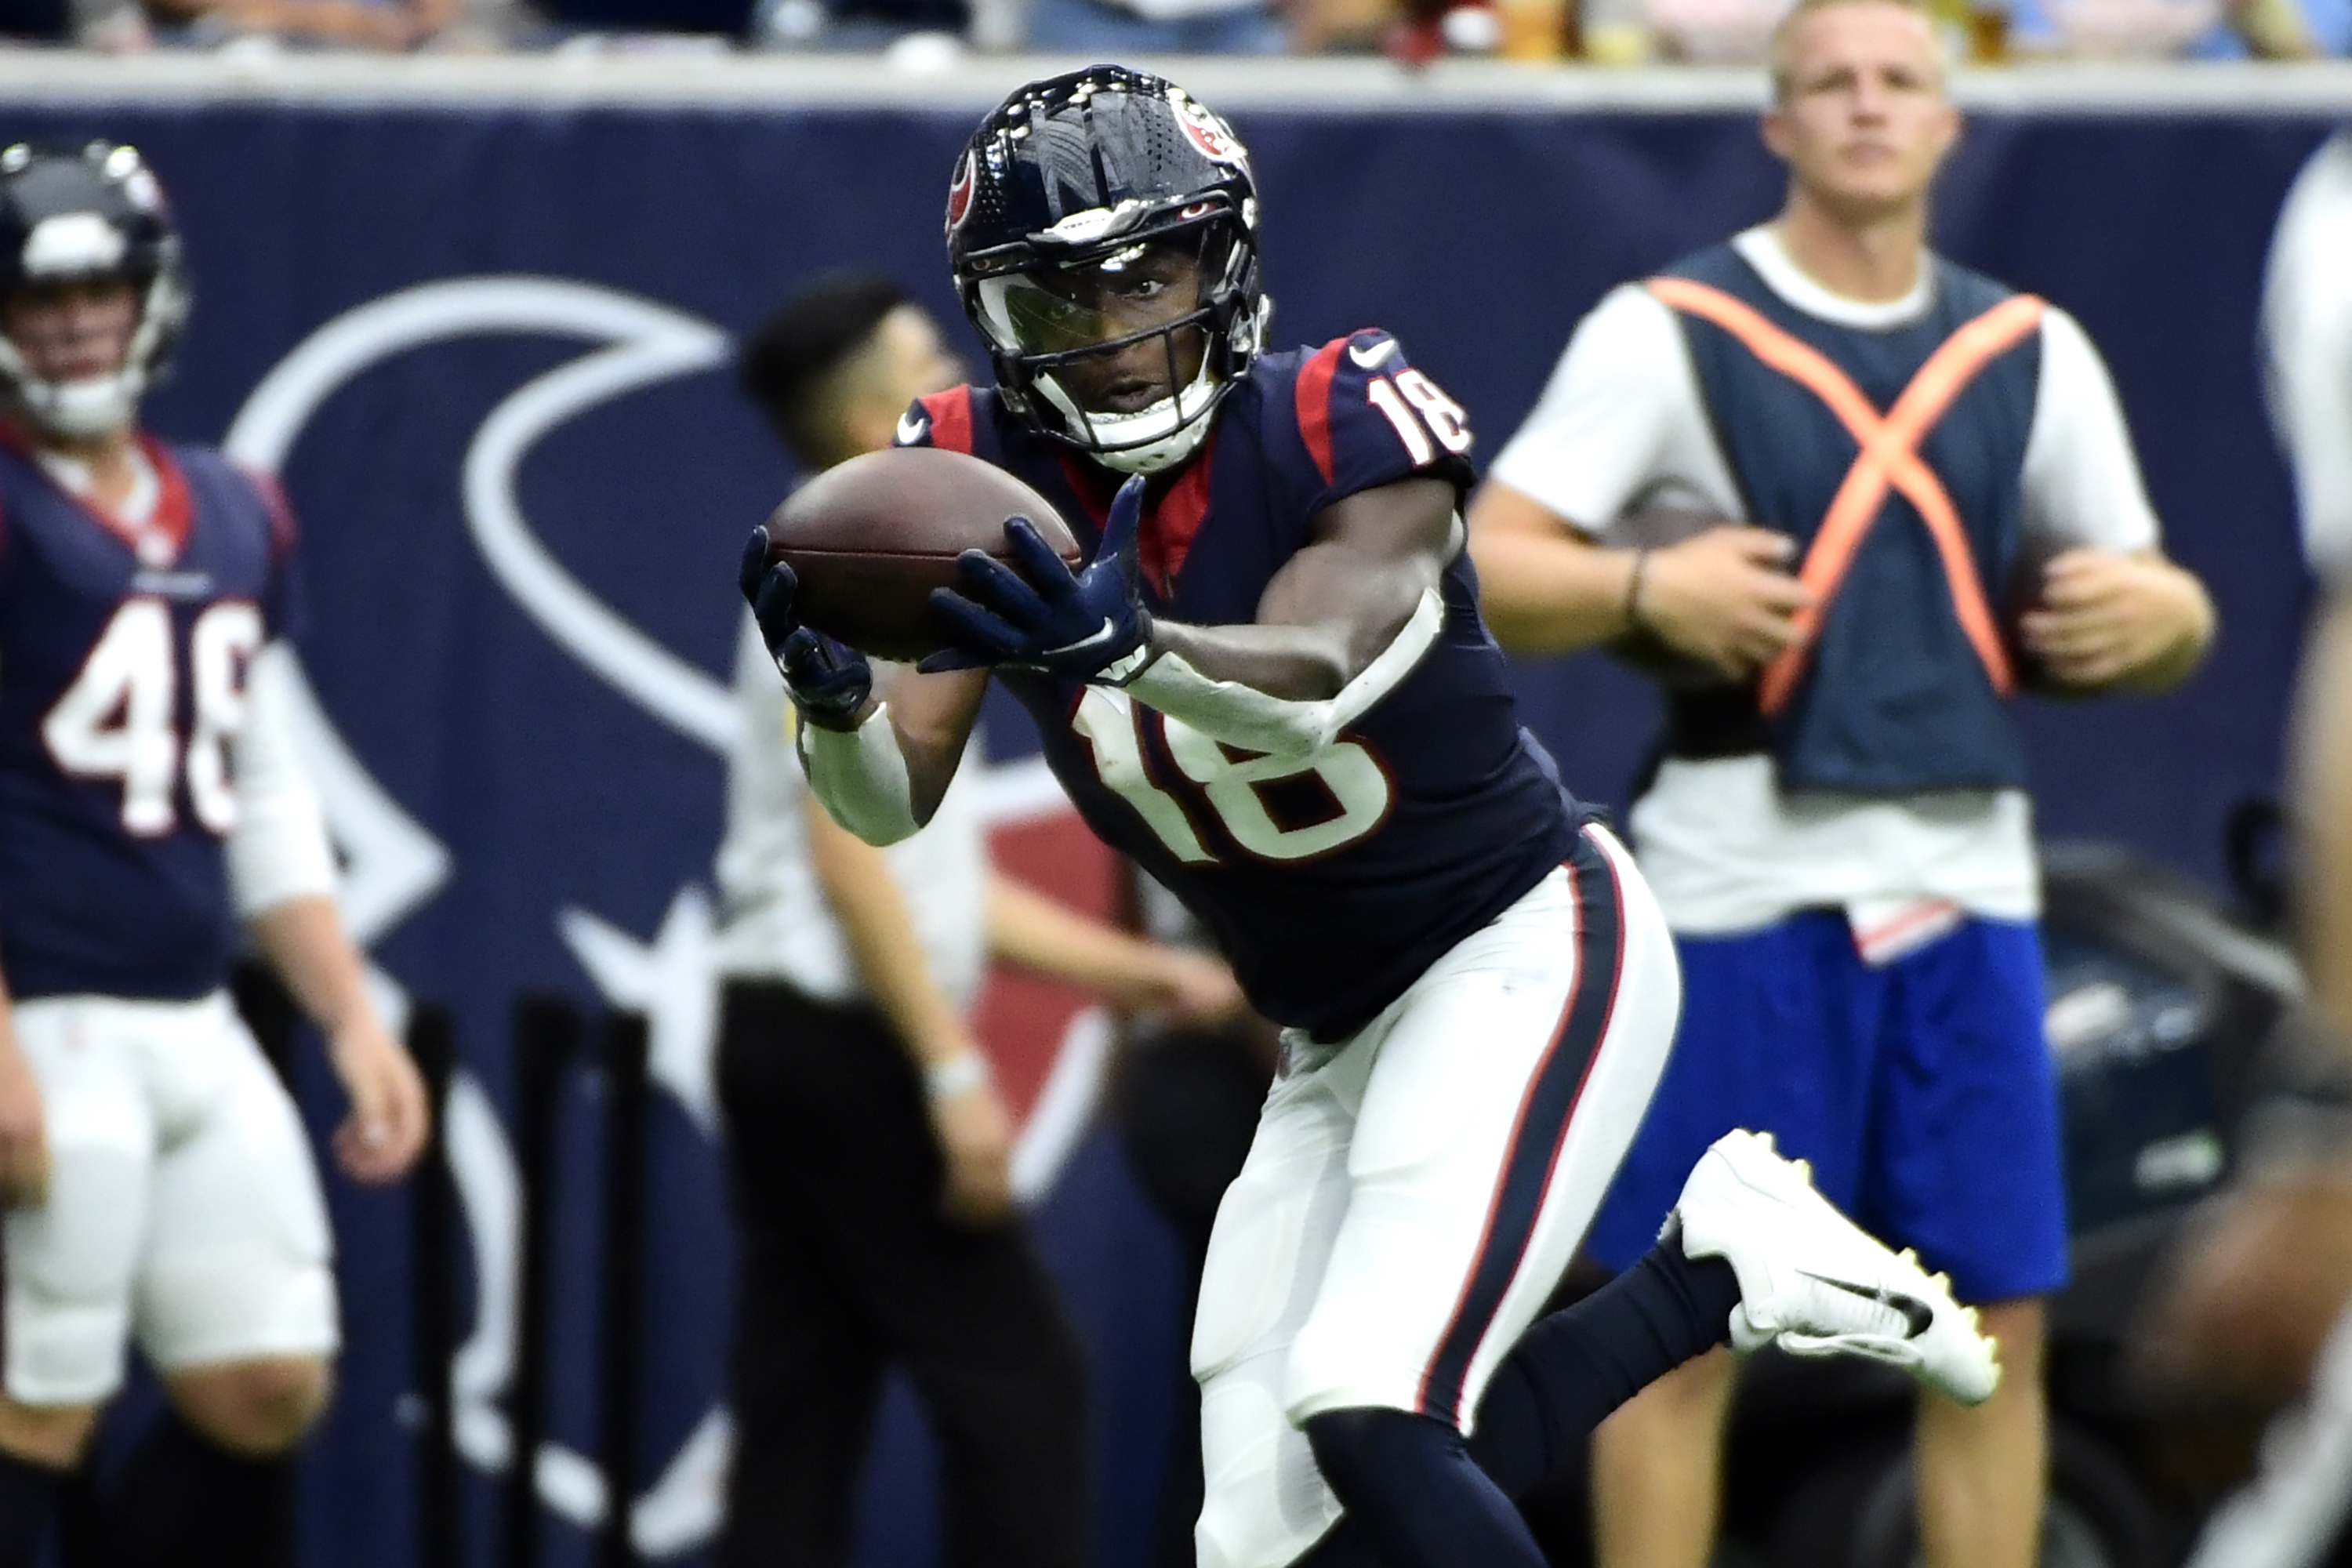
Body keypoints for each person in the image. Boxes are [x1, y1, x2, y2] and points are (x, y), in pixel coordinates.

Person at [739, 65, 2002, 1568]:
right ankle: (1704, 1281)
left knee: (1371, 1401)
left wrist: (1122, 647)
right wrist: (832, 708)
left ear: (1229, 259)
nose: (1128, 336)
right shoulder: (977, 464)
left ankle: (1701, 1282)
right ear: (1006, 321)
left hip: (1520, 945)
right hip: (1331, 1032)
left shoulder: (1344, 415)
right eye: (1071, 299)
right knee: (1273, 1548)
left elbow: (1312, 681)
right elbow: (893, 802)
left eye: (1158, 272)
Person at [1464, 4, 2216, 1563]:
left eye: (1900, 82)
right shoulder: (1667, 329)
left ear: (1951, 120)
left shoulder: (2029, 348)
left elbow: (2158, 603)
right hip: (1739, 891)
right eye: (1832, 83)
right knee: (1682, 1323)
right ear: (1776, 124)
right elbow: (1493, 556)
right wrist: (1638, 591)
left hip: (1966, 890)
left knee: (1988, 1323)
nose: (1869, 108)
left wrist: (2167, 620)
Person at [717, 269, 1245, 1568]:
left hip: (783, 1039)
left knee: (806, 1396)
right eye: (922, 367)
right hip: (843, 1052)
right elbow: (850, 863)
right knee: (1021, 1388)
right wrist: (952, 1073)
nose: (956, 384)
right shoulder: (843, 591)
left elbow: (926, 874)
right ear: (868, 426)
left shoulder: (871, 590)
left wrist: (1149, 975)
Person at [0, 141, 428, 1568]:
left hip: (188, 1013)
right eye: (34, 300)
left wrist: (351, 1012)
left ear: (150, 300)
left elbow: (249, 779)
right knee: (41, 1395)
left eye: (95, 294)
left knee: (264, 1382)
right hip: (45, 1010)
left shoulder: (234, 505)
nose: (69, 326)